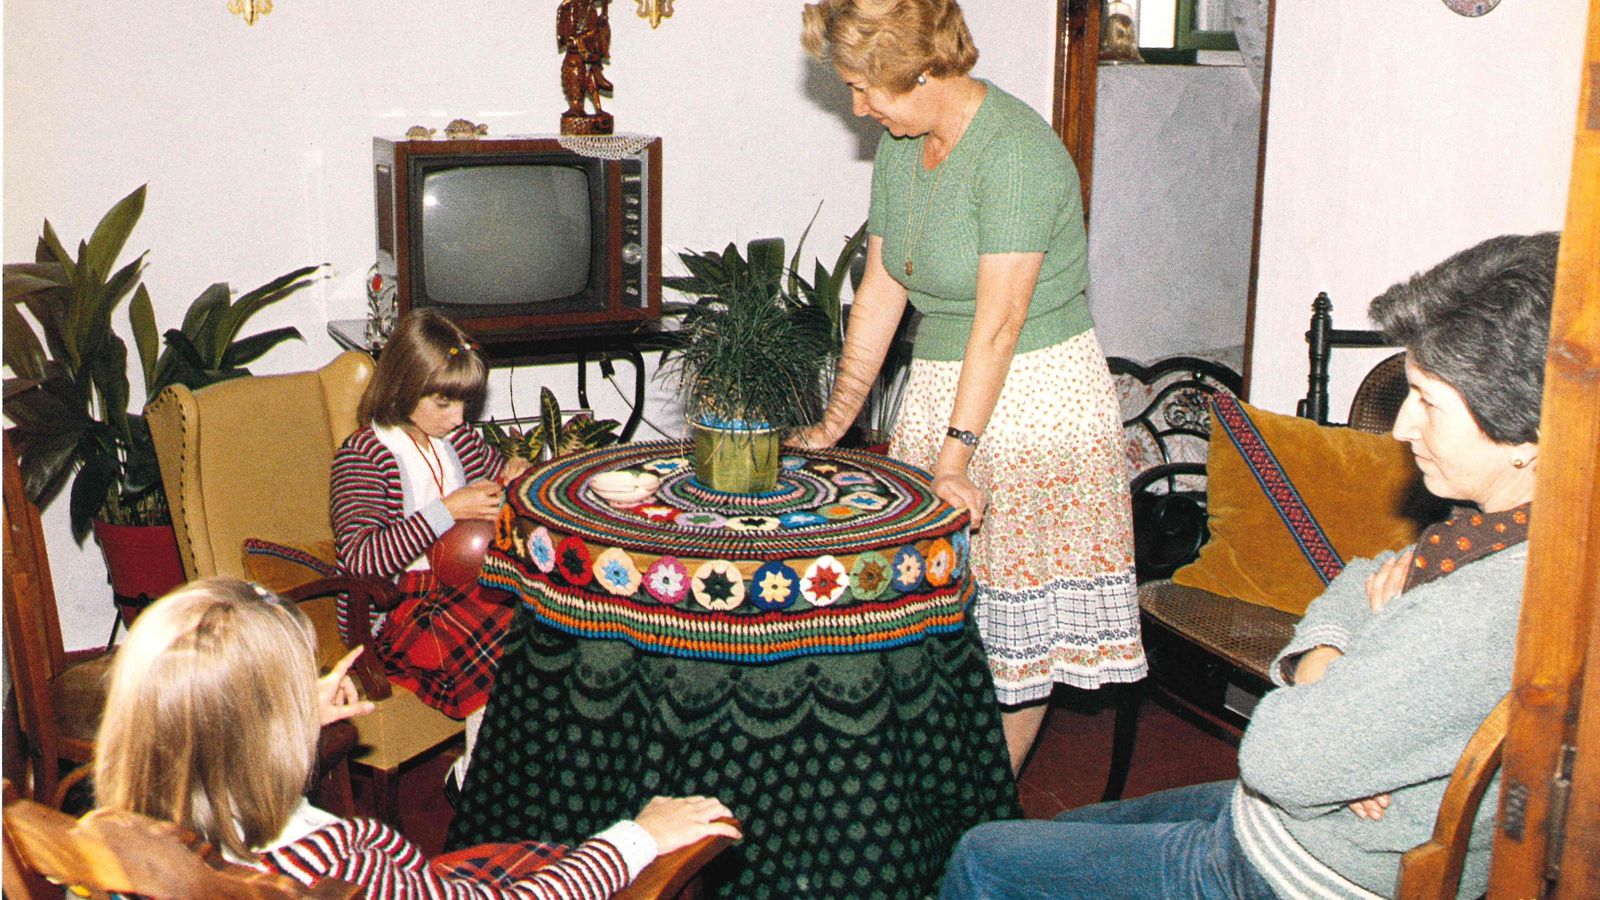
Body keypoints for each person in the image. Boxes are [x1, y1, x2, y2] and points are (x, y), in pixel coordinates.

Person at [940, 231, 1561, 899]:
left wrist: (1329, 707)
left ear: (1525, 432)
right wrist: (1328, 665)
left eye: (1429, 401)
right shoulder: (1505, 534)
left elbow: (1277, 758)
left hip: (1300, 873)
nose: (1404, 427)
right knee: (1071, 830)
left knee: (984, 858)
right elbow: (1359, 579)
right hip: (1292, 827)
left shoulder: (1478, 602)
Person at [797, 0, 1142, 772]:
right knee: (943, 619)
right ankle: (942, 794)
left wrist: (956, 459)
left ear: (917, 72)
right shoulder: (902, 145)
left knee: (1015, 641)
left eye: (863, 87)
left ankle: (986, 807)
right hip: (944, 391)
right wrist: (836, 419)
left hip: (1033, 402)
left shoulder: (1016, 152)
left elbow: (1001, 323)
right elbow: (883, 287)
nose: (857, 106)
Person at [93, 578, 741, 897]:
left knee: (531, 849)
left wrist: (299, 713)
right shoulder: (333, 865)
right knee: (595, 859)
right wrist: (638, 836)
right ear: (262, 734)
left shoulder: (121, 839)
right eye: (300, 687)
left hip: (421, 881)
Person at [330, 308, 530, 787]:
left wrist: (514, 475)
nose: (459, 418)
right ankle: (482, 782)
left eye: (465, 403)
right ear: (402, 387)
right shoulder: (364, 455)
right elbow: (361, 558)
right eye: (444, 403)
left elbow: (497, 473)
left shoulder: (457, 439)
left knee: (537, 626)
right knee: (501, 637)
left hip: (461, 587)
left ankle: (480, 774)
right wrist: (448, 509)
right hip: (394, 608)